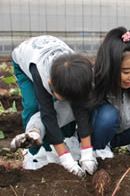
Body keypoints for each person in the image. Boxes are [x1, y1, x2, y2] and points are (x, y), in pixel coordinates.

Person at [10, 35, 97, 177]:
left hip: (52, 52)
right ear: (50, 83)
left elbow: (81, 110)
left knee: (71, 104)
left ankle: (68, 140)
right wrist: (66, 160)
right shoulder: (41, 74)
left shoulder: (79, 73)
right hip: (25, 61)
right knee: (33, 105)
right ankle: (32, 153)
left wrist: (87, 152)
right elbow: (48, 114)